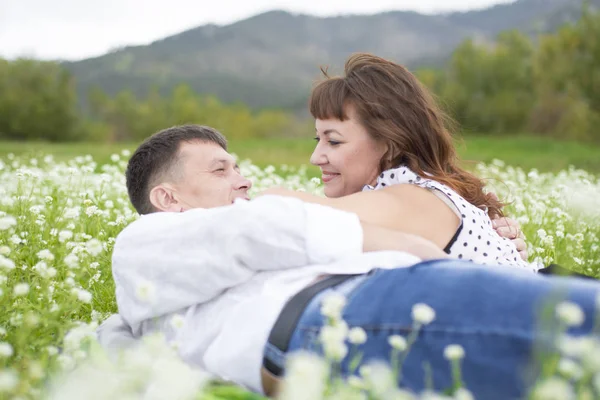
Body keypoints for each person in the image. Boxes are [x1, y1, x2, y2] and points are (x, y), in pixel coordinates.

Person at [98, 124, 600, 400]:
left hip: (361, 315)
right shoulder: (147, 238)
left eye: (237, 166)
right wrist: (417, 251)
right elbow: (266, 226)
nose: (244, 179)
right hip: (350, 309)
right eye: (220, 169)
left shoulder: (169, 277)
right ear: (168, 198)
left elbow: (118, 344)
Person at [261, 53, 532, 270]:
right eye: (317, 139)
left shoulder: (412, 199)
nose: (315, 157)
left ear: (388, 144)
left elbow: (279, 207)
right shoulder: (411, 193)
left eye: (333, 141)